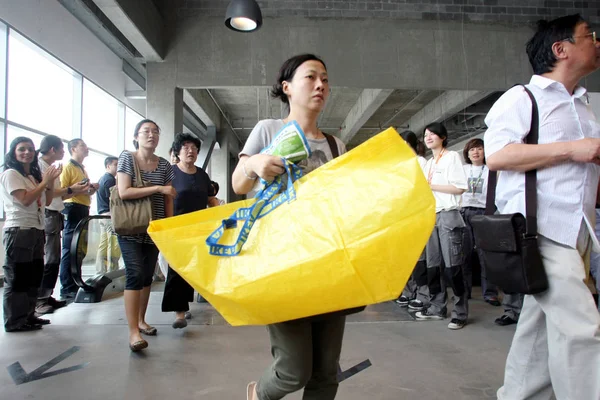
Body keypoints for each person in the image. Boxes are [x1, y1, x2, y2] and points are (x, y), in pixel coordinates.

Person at [484, 14, 600, 399]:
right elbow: (497, 155)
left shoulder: (582, 105)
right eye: (589, 36)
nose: (597, 42)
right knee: (581, 329)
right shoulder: (522, 98)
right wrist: (573, 150)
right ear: (560, 49)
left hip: (577, 232)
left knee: (539, 332)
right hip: (541, 230)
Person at [233, 54, 349, 400]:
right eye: (311, 77)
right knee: (293, 369)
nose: (320, 85)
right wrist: (254, 162)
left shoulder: (335, 145)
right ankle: (258, 394)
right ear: (286, 87)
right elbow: (239, 184)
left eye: (325, 79)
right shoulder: (269, 129)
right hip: (281, 260)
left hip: (328, 261)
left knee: (327, 372)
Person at [117, 119, 175, 352]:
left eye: (155, 131)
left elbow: (169, 197)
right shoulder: (127, 158)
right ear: (136, 137)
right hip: (130, 226)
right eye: (146, 131)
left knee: (147, 276)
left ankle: (141, 321)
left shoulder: (164, 165)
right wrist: (158, 188)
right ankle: (133, 333)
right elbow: (124, 191)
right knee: (135, 274)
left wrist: (169, 226)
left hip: (155, 228)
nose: (151, 135)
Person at [1, 137, 61, 331]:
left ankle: (29, 315)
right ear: (14, 152)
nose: (27, 152)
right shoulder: (11, 174)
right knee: (18, 277)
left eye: (30, 149)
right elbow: (25, 200)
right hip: (19, 230)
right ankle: (15, 321)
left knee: (34, 275)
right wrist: (45, 182)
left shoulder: (32, 177)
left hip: (36, 229)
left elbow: (48, 199)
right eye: (22, 149)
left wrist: (49, 182)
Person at [415, 122, 469, 330]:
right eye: (426, 134)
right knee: (433, 266)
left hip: (448, 215)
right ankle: (437, 307)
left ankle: (460, 312)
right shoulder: (429, 162)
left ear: (443, 137)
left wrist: (431, 186)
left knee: (453, 267)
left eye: (432, 134)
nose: (428, 137)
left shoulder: (452, 157)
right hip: (431, 216)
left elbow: (459, 188)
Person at [161, 132, 215, 328]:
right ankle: (180, 314)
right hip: (177, 228)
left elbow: (210, 198)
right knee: (177, 269)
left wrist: (221, 208)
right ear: (177, 152)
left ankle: (201, 299)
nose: (190, 151)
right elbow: (163, 199)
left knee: (199, 266)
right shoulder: (170, 173)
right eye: (186, 147)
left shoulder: (202, 175)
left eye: (194, 148)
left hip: (200, 229)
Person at [35, 135, 88, 315]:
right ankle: (42, 299)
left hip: (56, 213)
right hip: (50, 214)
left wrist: (77, 190)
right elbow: (51, 192)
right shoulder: (44, 167)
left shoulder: (53, 168)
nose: (63, 151)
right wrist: (73, 189)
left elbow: (56, 195)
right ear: (52, 149)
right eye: (61, 149)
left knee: (55, 257)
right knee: (52, 257)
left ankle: (47, 295)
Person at [460, 138, 500, 306]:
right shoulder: (462, 170)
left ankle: (490, 293)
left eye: (479, 149)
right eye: (472, 150)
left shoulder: (491, 170)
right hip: (464, 212)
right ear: (467, 153)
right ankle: (464, 291)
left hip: (484, 212)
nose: (475, 152)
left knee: (486, 255)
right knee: (464, 255)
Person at [58, 139, 96, 300]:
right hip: (72, 208)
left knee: (79, 249)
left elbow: (82, 191)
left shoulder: (81, 169)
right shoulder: (68, 167)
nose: (86, 148)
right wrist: (78, 190)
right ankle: (67, 286)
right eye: (82, 146)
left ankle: (75, 281)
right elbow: (62, 192)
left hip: (83, 208)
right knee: (70, 248)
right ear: (73, 149)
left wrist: (90, 189)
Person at [395, 130, 429, 311]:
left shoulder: (421, 162)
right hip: (402, 216)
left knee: (420, 258)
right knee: (406, 259)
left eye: (406, 143)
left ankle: (422, 294)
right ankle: (408, 292)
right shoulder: (400, 164)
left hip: (416, 215)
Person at [95, 156, 121, 273]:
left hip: (102, 214)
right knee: (113, 244)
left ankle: (101, 271)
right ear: (108, 166)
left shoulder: (102, 178)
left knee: (104, 244)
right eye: (115, 164)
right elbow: (113, 199)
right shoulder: (109, 180)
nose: (118, 166)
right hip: (109, 215)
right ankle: (112, 271)